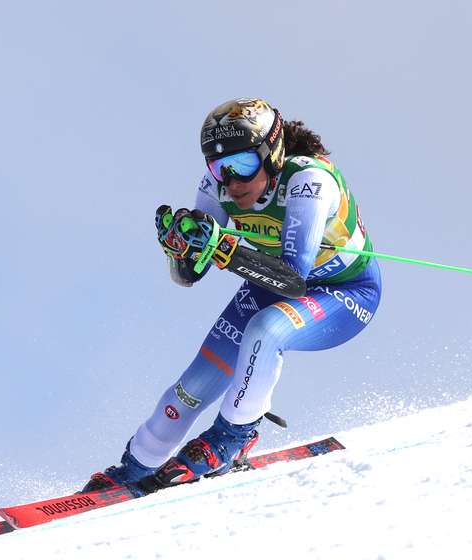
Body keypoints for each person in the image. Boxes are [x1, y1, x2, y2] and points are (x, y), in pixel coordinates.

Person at [82, 97, 382, 496]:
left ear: (272, 153)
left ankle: (233, 436)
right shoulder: (217, 187)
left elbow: (293, 280)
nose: (231, 182)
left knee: (265, 332)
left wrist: (224, 250)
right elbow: (189, 275)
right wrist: (182, 250)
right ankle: (133, 467)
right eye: (218, 167)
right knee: (193, 385)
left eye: (241, 166)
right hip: (266, 281)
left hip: (343, 293)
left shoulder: (308, 182)